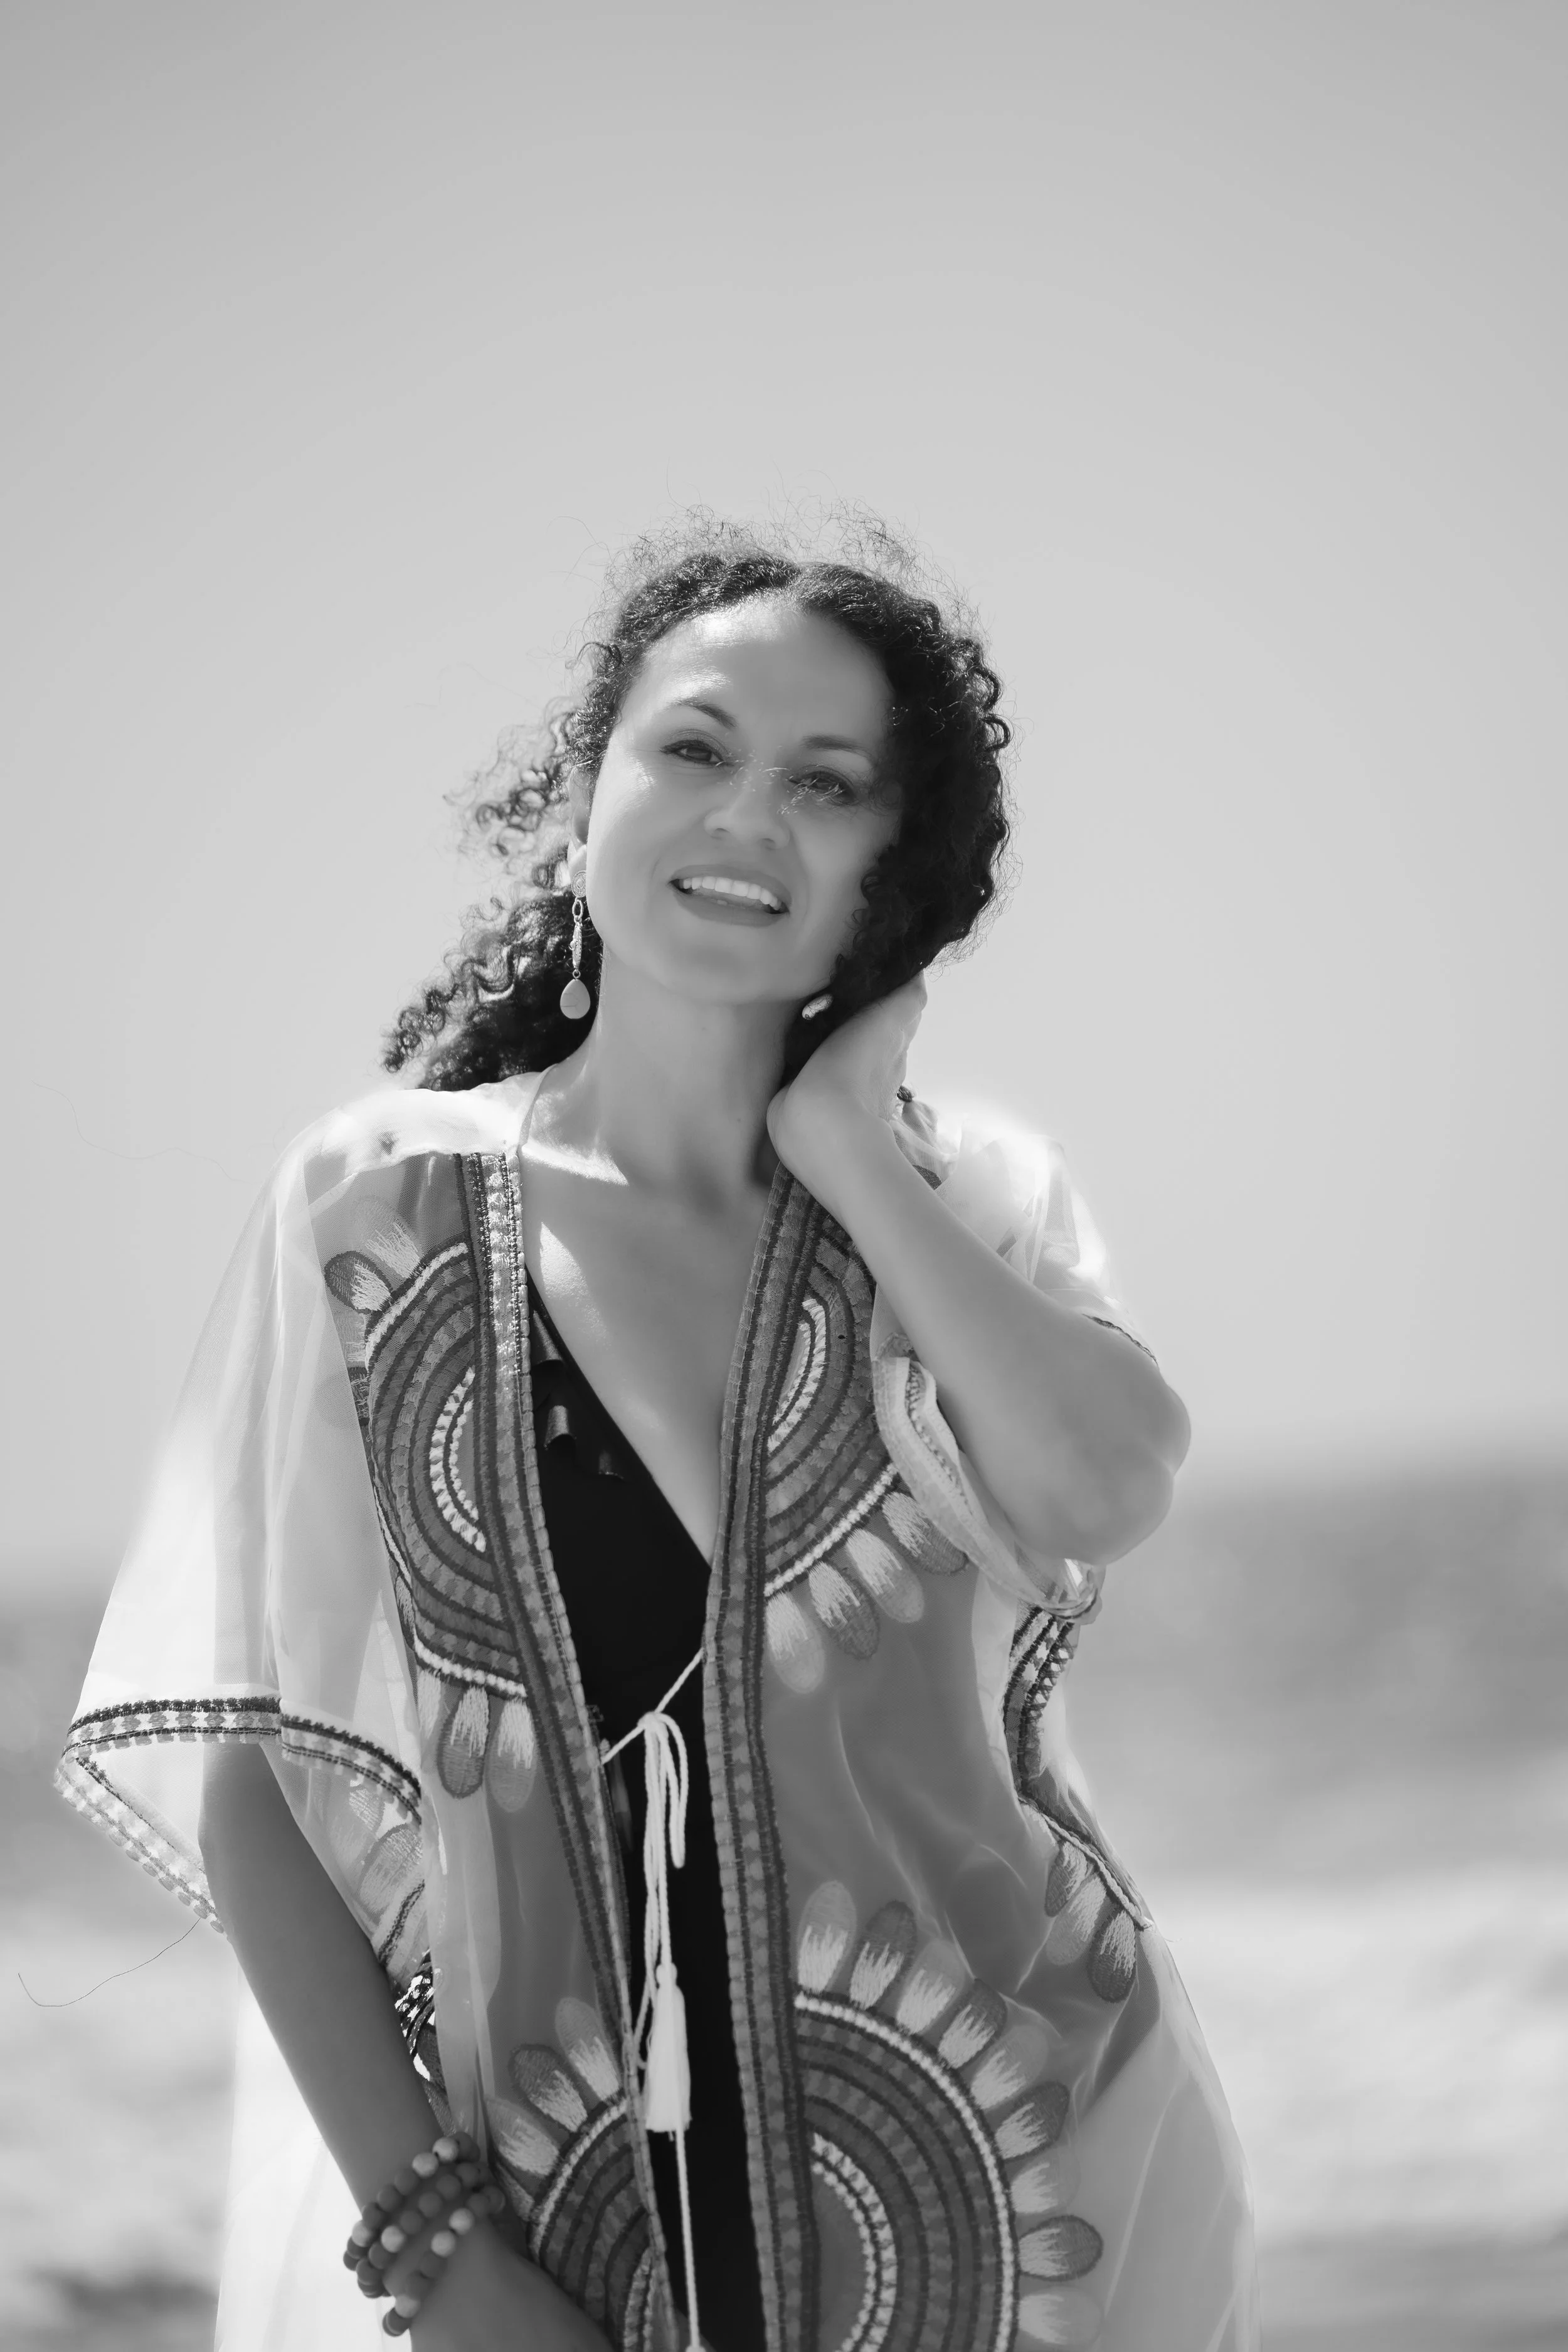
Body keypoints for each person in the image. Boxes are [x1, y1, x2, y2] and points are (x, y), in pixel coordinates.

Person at [59, 513, 1258, 2351]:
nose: (747, 815)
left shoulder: (960, 1205)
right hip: (560, 2228)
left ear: (890, 878)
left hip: (1033, 2191)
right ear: (581, 794)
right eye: (692, 747)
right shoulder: (373, 1214)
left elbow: (1104, 1483)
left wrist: (848, 1148)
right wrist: (441, 2250)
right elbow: (255, 1784)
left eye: (828, 786)